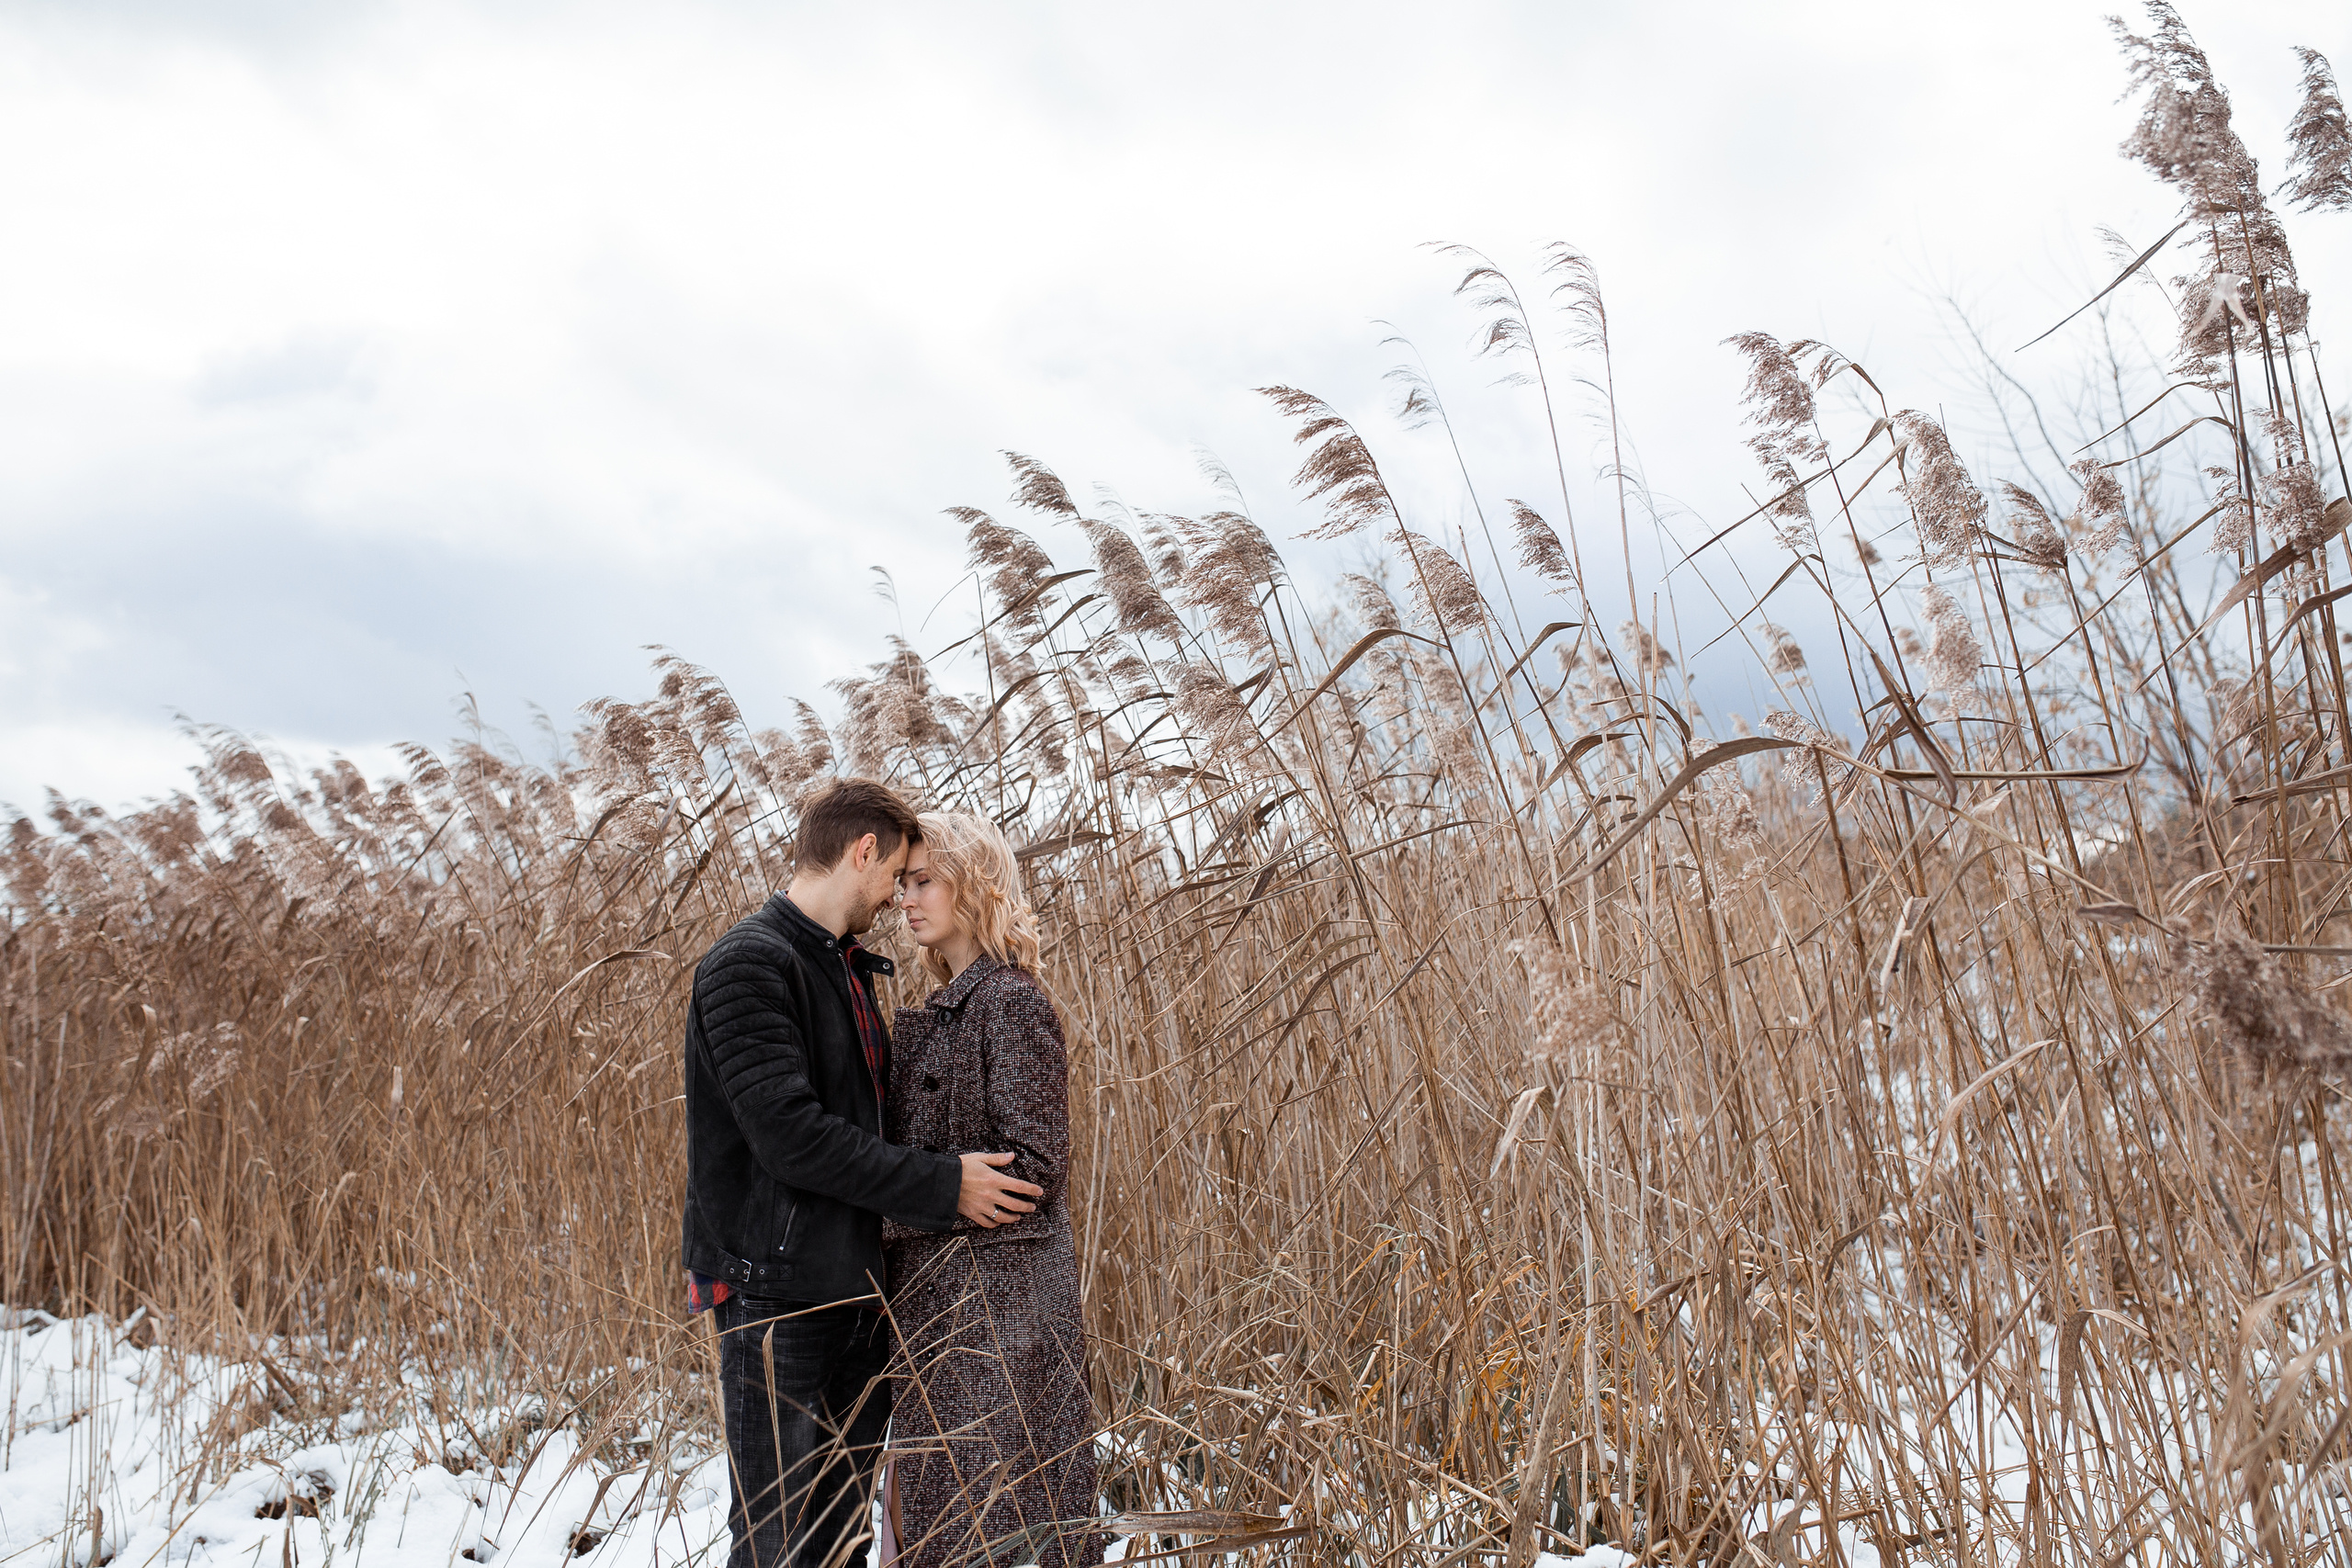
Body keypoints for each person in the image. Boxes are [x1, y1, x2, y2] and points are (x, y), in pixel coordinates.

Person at [681, 778, 1047, 1568]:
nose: (895, 899)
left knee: (840, 1537)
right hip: (775, 1299)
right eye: (897, 876)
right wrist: (945, 1184)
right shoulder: (749, 963)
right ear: (862, 851)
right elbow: (792, 1137)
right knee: (778, 1541)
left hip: (853, 1294)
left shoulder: (841, 967)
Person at [879, 811, 1107, 1568]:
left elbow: (1035, 1169)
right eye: (902, 884)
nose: (905, 899)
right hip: (950, 1316)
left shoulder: (1008, 1001)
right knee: (955, 1528)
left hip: (1000, 1325)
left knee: (996, 1529)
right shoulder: (958, 1005)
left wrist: (900, 1202)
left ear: (973, 888)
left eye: (923, 882)